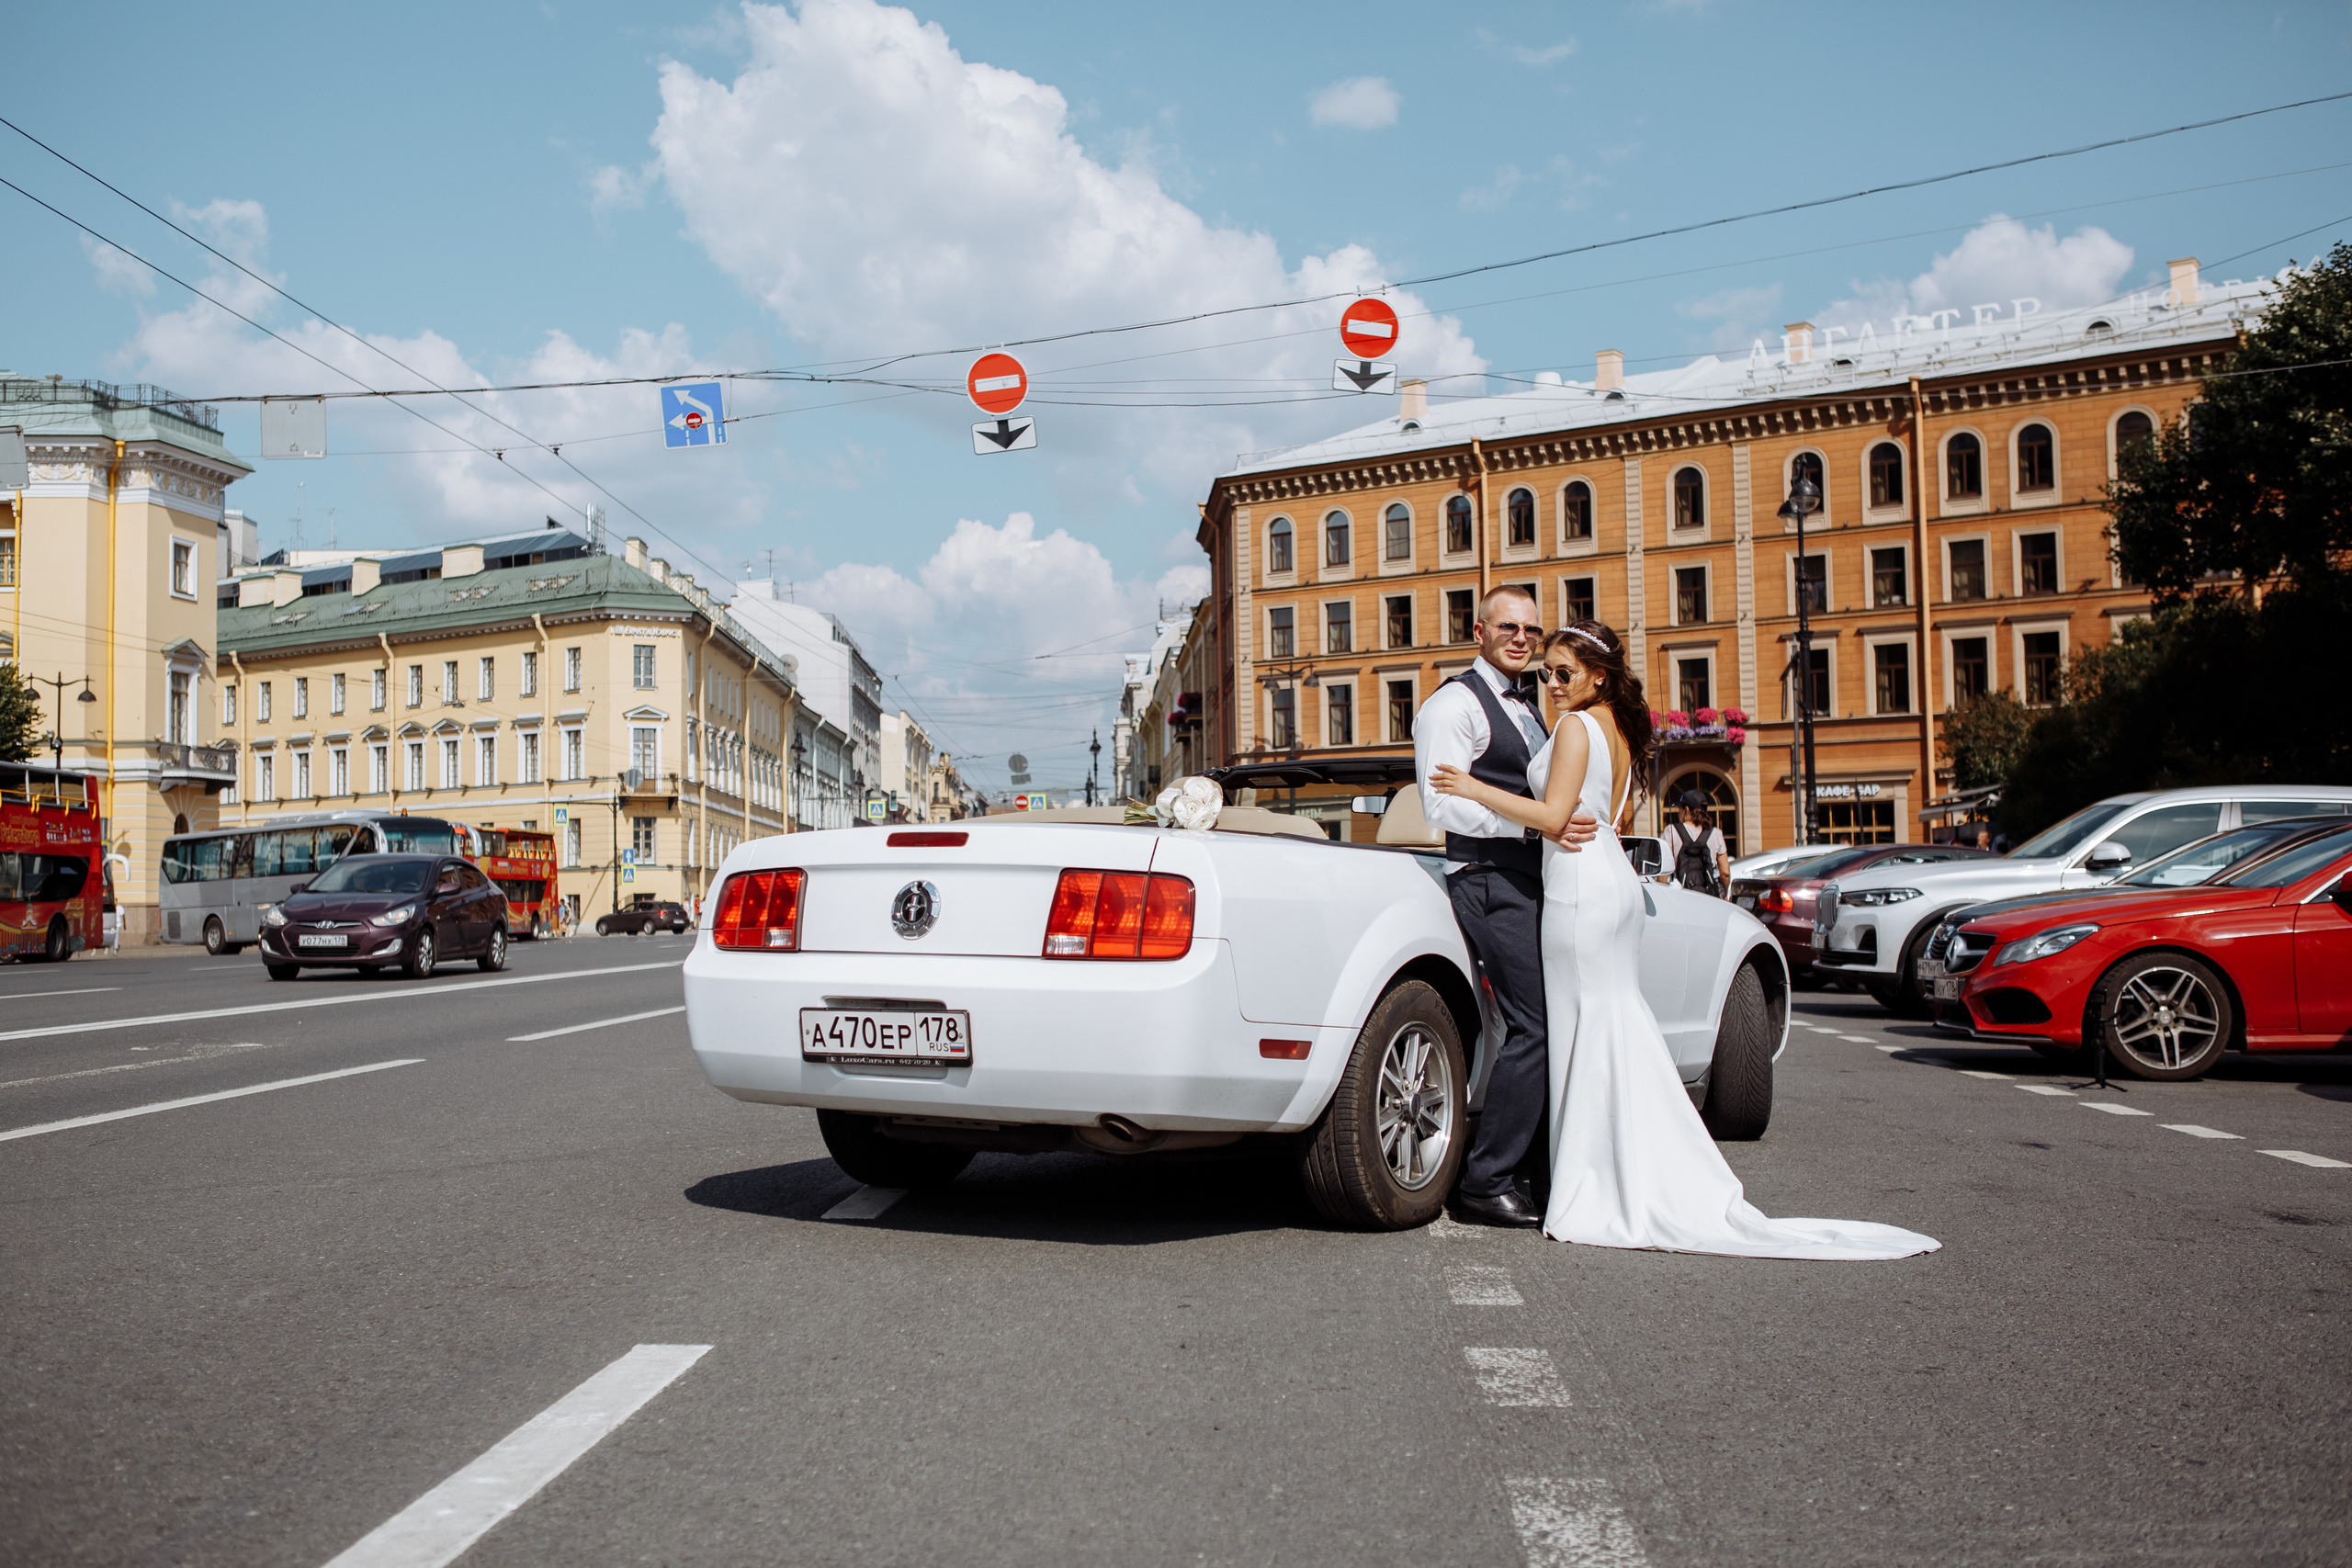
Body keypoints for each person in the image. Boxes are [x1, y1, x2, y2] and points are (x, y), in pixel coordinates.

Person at [1431, 618, 1939, 1260]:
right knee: (1610, 1023)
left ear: (1598, 677)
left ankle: (1592, 1177)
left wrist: (1473, 786)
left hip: (1580, 892)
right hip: (1610, 882)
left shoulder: (1576, 727)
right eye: (1545, 673)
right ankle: (1608, 1168)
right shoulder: (1617, 729)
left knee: (1584, 1029)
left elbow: (1555, 819)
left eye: (1565, 673)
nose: (1552, 684)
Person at [1413, 585, 1601, 1228]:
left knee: (1549, 1021)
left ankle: (1527, 1169)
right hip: (1489, 877)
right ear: (1479, 631)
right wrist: (1530, 829)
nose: (1521, 637)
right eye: (1508, 627)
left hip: (1531, 878)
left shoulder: (1533, 705)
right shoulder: (1452, 705)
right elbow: (1443, 805)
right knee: (1532, 1025)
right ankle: (1485, 1179)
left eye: (1531, 629)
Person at [1666, 792, 1731, 897]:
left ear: (1686, 810)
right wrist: (1725, 894)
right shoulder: (1716, 833)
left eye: (1680, 809)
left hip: (1681, 895)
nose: (1679, 813)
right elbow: (1725, 873)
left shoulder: (1671, 830)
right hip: (1709, 896)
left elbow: (1664, 870)